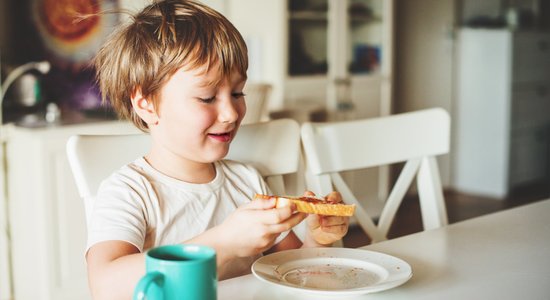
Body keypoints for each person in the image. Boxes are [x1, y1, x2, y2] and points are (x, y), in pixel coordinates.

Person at [88, 0, 349, 299]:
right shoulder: (131, 192)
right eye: (207, 97)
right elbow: (104, 286)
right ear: (146, 102)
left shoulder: (247, 181)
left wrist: (317, 243)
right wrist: (223, 243)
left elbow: (288, 272)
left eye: (237, 93)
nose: (231, 113)